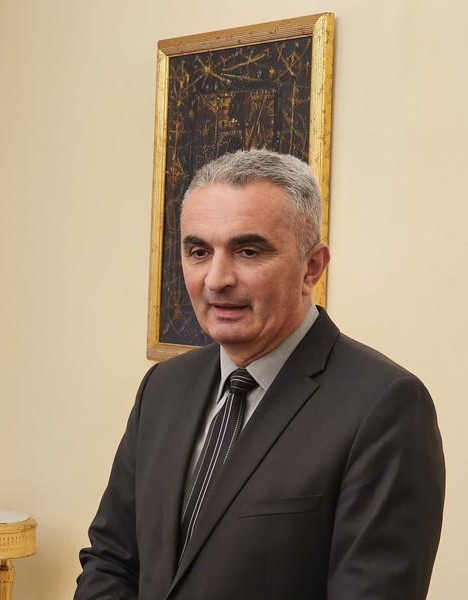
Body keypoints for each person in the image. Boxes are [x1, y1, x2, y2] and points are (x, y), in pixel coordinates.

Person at [74, 149, 445, 600]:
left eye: (248, 251)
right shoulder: (162, 387)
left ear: (312, 267)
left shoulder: (385, 407)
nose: (216, 279)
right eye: (198, 251)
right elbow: (111, 562)